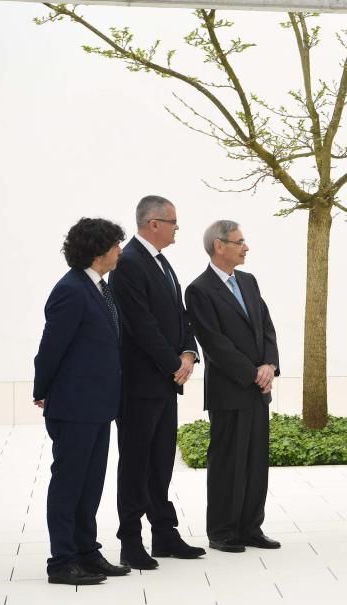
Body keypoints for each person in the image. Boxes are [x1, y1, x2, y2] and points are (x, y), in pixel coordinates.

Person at [34, 218, 130, 585]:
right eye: (115, 245)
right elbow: (51, 348)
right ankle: (62, 561)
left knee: (90, 485)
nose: (120, 250)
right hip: (74, 406)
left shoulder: (99, 288)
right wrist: (43, 389)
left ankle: (87, 552)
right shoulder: (71, 290)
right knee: (69, 484)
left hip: (98, 406)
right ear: (98, 251)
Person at [109, 195, 204, 570]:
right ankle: (130, 540)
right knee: (135, 462)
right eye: (173, 222)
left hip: (165, 382)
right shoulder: (129, 263)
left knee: (162, 460)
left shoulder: (162, 263)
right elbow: (140, 324)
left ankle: (164, 533)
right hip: (140, 384)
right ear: (153, 224)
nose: (177, 228)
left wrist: (188, 352)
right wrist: (172, 363)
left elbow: (179, 317)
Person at [185, 220, 281, 553]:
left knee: (256, 461)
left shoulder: (250, 282)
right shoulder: (199, 290)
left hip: (259, 389)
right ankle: (222, 531)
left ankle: (250, 527)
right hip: (231, 390)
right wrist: (252, 372)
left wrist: (269, 365)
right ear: (219, 246)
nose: (246, 247)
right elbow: (213, 342)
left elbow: (267, 326)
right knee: (228, 462)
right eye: (239, 242)